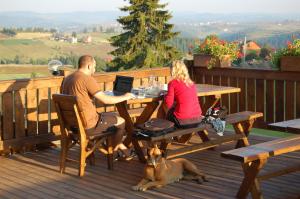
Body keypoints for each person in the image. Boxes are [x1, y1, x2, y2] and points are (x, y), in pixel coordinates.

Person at [61, 55, 136, 159]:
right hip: (89, 125)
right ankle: (114, 153)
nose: (94, 70)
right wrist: (125, 96)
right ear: (88, 66)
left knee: (111, 116)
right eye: (94, 67)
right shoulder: (87, 79)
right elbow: (105, 100)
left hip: (73, 125)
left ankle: (124, 150)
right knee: (121, 122)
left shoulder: (68, 79)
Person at [162, 60, 203, 128]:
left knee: (165, 107)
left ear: (173, 70)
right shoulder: (191, 83)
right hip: (198, 119)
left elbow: (168, 103)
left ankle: (164, 132)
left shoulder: (172, 83)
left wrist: (165, 96)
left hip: (182, 121)